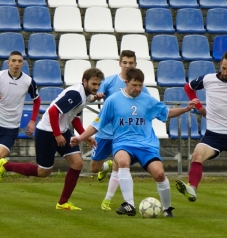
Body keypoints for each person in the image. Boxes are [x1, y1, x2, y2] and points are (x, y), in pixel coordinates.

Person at [71, 68, 199, 217]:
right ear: (126, 82)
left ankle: (167, 209)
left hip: (146, 144)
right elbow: (96, 124)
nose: (138, 89)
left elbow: (165, 112)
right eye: (134, 85)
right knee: (123, 162)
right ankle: (129, 204)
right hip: (123, 143)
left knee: (159, 174)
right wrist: (80, 138)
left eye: (140, 85)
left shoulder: (147, 100)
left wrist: (185, 109)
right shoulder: (113, 101)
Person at [0, 68, 105, 210]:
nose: (96, 87)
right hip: (47, 131)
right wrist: (57, 134)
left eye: (98, 84)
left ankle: (62, 203)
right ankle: (5, 166)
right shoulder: (76, 94)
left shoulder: (85, 95)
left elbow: (74, 117)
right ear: (85, 81)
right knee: (44, 172)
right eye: (94, 84)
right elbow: (53, 111)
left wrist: (84, 136)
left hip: (61, 131)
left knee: (78, 163)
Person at [176, 51, 227, 202]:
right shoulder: (208, 79)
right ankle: (192, 188)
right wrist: (200, 107)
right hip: (213, 135)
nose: (225, 72)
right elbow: (188, 88)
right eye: (223, 68)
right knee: (197, 155)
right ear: (220, 65)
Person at [90, 50, 151, 211]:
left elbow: (149, 104)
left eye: (131, 63)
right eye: (125, 62)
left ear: (135, 64)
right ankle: (106, 166)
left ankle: (107, 201)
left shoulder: (140, 87)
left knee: (122, 165)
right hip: (105, 132)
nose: (127, 65)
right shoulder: (109, 81)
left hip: (124, 134)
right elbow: (93, 93)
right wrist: (96, 96)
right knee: (94, 168)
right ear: (120, 63)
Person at [0, 51, 40, 170]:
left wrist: (32, 121)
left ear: (23, 64)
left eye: (19, 61)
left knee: (1, 155)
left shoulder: (28, 81)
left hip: (11, 128)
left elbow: (37, 101)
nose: (16, 63)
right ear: (8, 63)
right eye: (13, 61)